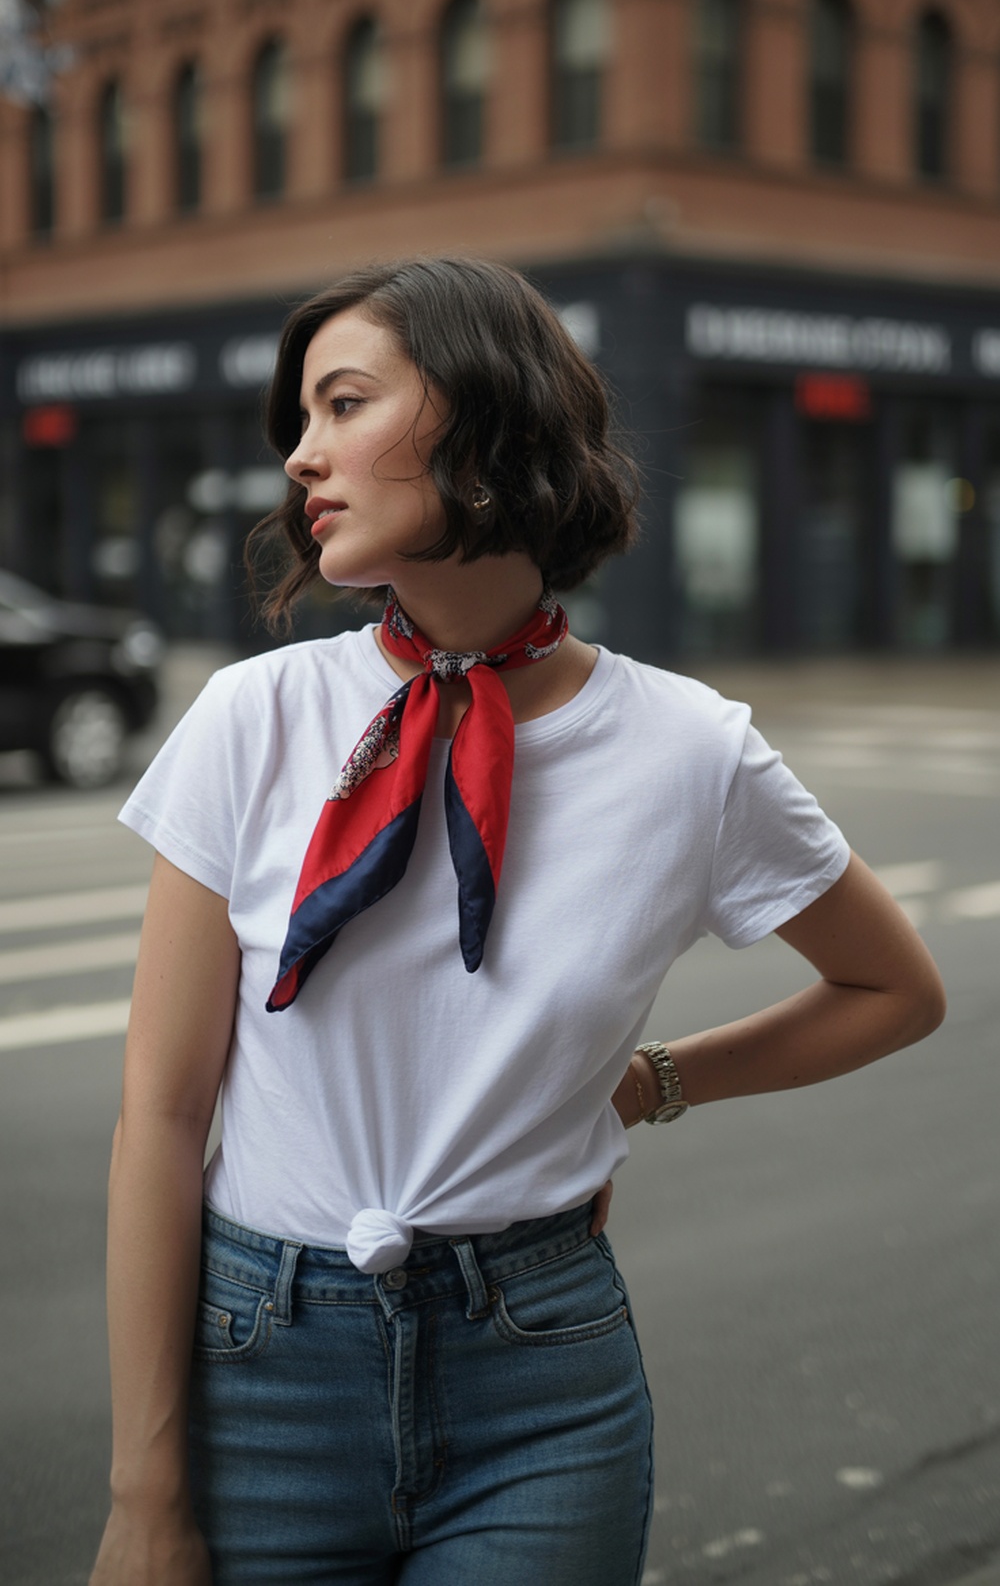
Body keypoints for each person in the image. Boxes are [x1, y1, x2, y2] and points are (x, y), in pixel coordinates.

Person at [90, 256, 945, 1586]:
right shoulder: (249, 720)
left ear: (483, 417)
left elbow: (897, 988)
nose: (304, 458)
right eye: (298, 424)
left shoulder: (688, 749)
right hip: (262, 1369)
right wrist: (145, 1493)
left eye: (344, 402)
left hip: (540, 1384)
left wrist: (652, 1083)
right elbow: (158, 1117)